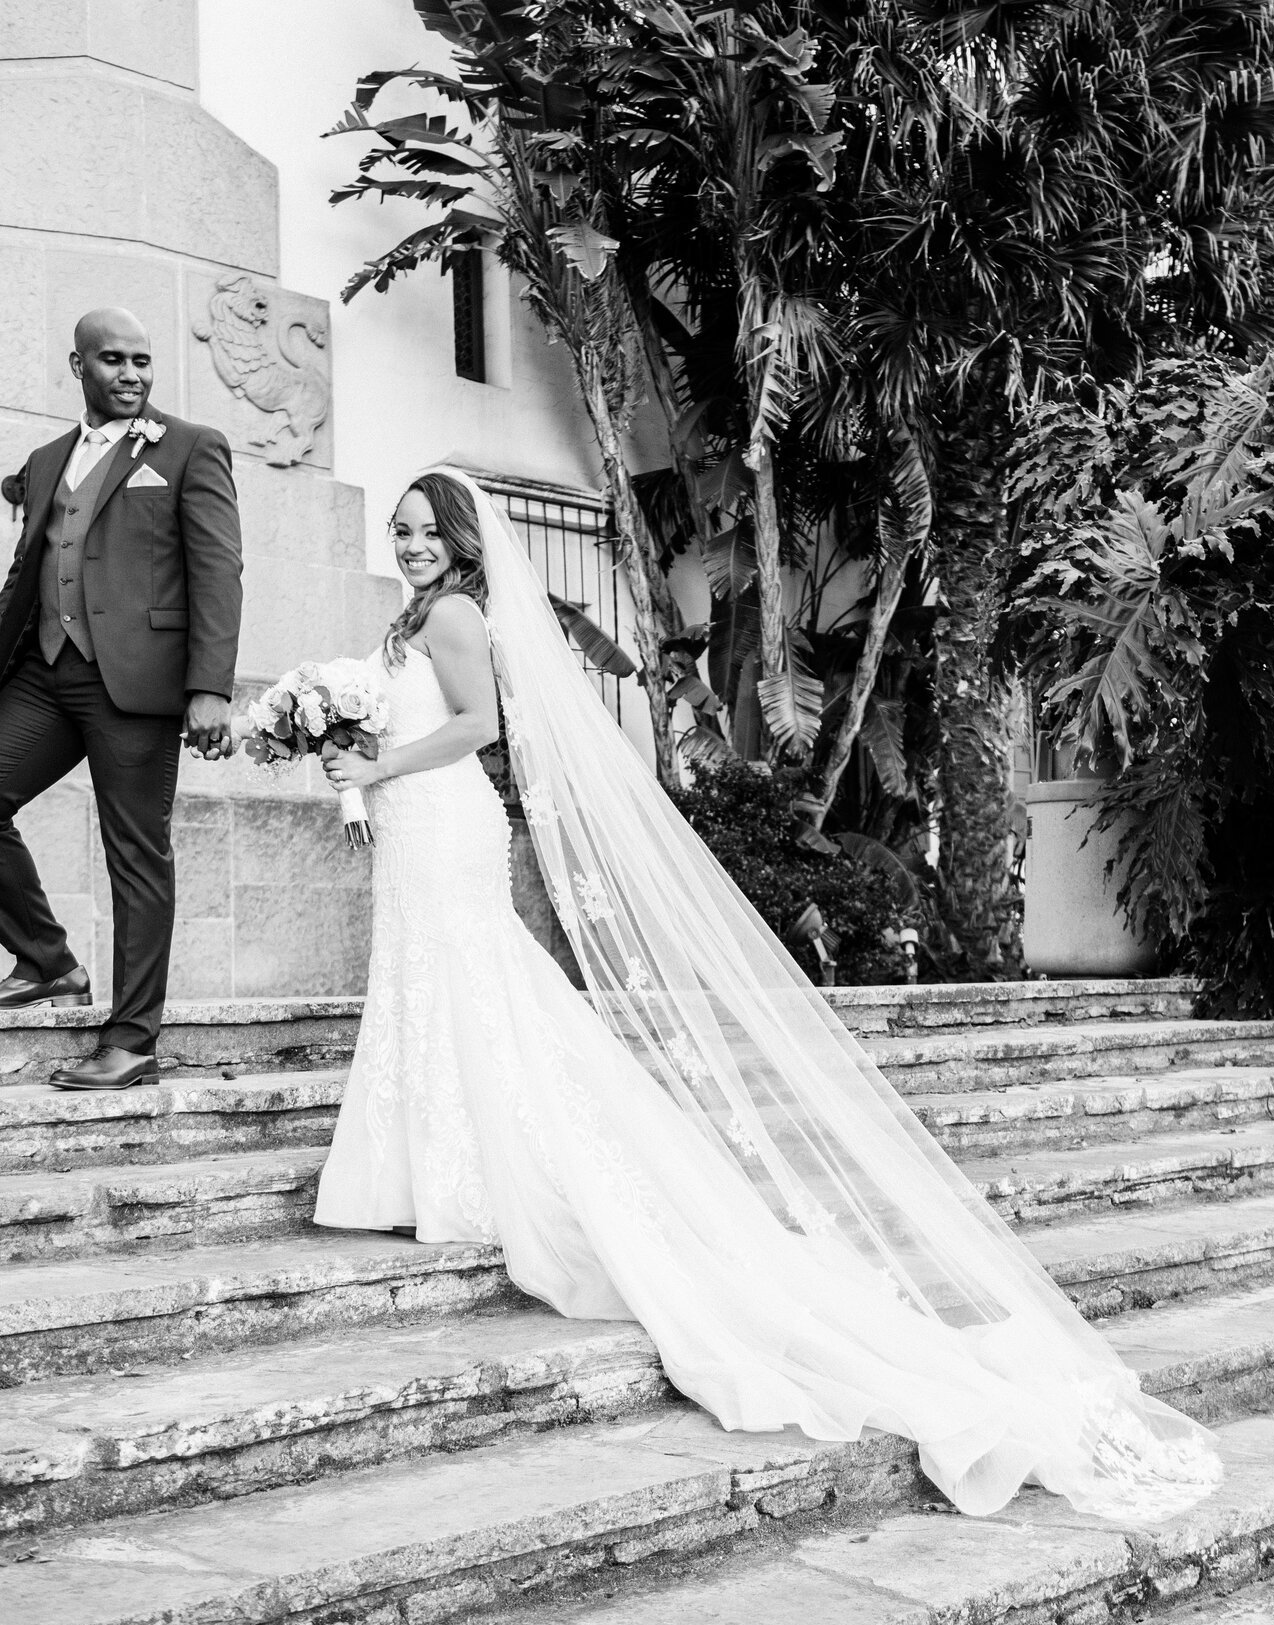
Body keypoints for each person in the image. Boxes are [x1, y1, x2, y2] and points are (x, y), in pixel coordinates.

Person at [308, 467, 1219, 1520]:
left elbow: (475, 729)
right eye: (401, 529)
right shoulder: (414, 613)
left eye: (427, 530)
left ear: (461, 539)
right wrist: (347, 746)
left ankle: (471, 1168)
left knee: (474, 982)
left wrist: (371, 770)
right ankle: (422, 1164)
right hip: (413, 825)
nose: (412, 543)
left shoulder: (460, 611)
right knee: (433, 984)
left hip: (443, 818)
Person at [0, 309, 243, 1091]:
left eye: (143, 359)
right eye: (114, 360)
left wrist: (209, 689)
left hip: (137, 683)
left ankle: (132, 1039)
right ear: (78, 366)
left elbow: (218, 572)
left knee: (135, 855)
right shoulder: (45, 460)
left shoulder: (189, 447)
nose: (133, 374)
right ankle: (46, 961)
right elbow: (20, 577)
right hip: (43, 673)